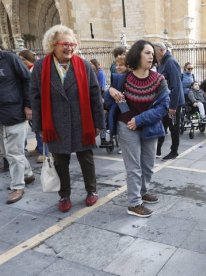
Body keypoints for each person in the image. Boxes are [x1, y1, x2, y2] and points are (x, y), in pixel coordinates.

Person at [30, 25, 105, 212]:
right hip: (55, 123)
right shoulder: (41, 67)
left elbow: (95, 95)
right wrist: (39, 125)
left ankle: (92, 191)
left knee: (86, 159)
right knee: (60, 161)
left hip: (82, 121)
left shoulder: (84, 65)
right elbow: (35, 97)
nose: (70, 47)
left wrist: (98, 123)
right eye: (65, 44)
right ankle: (64, 195)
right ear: (53, 45)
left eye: (73, 44)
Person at [106, 40, 170, 218]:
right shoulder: (122, 77)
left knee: (148, 165)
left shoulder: (159, 80)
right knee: (133, 167)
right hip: (126, 126)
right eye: (147, 53)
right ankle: (134, 203)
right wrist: (110, 90)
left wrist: (140, 119)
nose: (151, 56)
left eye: (152, 53)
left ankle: (143, 191)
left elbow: (163, 106)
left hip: (148, 126)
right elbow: (109, 100)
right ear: (137, 55)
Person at [0, 48, 35, 204]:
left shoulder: (10, 59)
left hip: (13, 112)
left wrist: (28, 105)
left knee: (14, 153)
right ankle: (27, 174)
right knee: (8, 152)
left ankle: (17, 187)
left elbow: (27, 80)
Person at [153, 42, 184, 161]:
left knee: (173, 127)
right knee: (162, 125)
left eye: (155, 52)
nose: (154, 55)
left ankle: (174, 151)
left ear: (161, 50)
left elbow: (176, 85)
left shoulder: (170, 62)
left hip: (173, 103)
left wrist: (173, 106)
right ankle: (158, 150)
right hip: (165, 101)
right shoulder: (163, 62)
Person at [18, 49, 48, 164]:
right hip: (33, 103)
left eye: (22, 59)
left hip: (38, 104)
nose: (20, 62)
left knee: (39, 127)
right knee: (35, 127)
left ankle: (44, 152)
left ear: (28, 59)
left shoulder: (35, 70)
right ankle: (39, 148)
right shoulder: (26, 70)